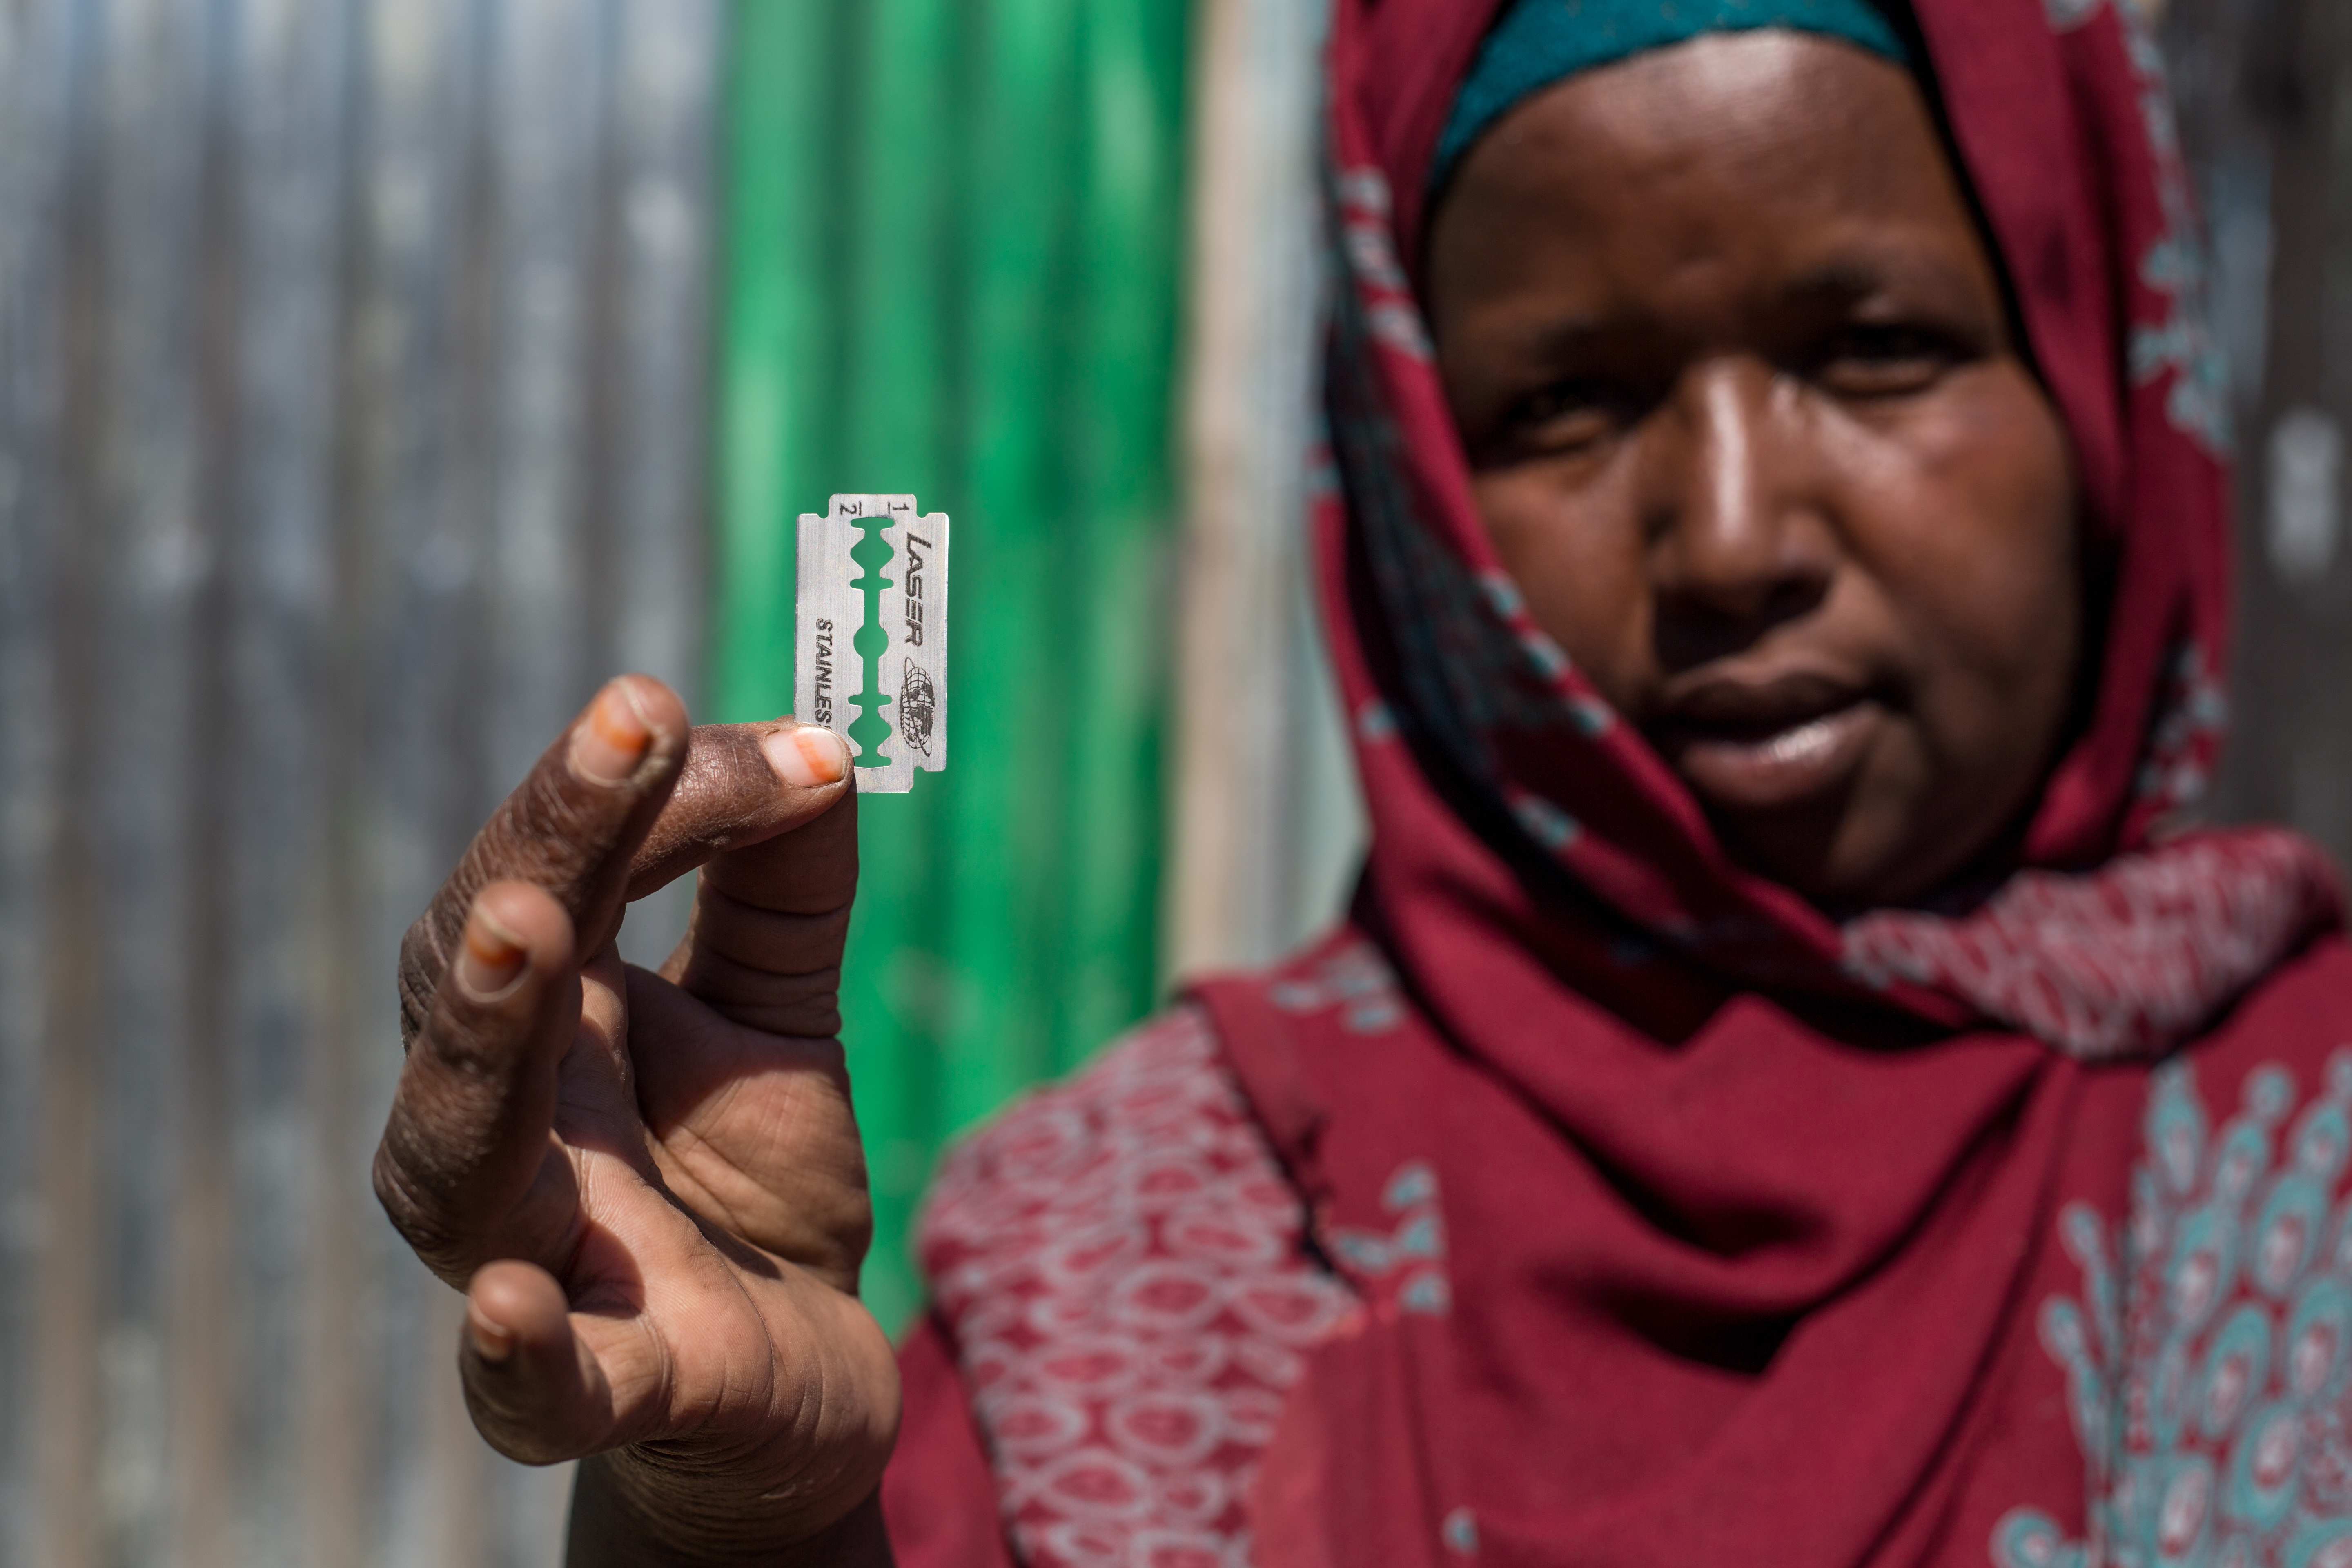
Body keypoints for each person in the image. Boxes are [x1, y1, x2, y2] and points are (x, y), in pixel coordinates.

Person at [373, 0, 2352, 1562]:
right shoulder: (1129, 1260)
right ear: (1408, 494)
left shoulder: (2308, 1148)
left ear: (2101, 376)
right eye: (1566, 401)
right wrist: (735, 1529)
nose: (1736, 535)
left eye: (1876, 348)